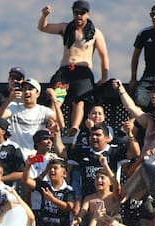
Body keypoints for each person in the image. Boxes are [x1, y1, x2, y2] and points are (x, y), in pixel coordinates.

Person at [38, 2, 109, 137]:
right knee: (57, 98)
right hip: (66, 71)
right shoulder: (66, 28)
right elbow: (43, 27)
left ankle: (74, 127)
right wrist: (44, 15)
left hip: (82, 73)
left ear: (87, 14)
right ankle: (53, 125)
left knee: (80, 100)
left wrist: (104, 76)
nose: (78, 16)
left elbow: (103, 55)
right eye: (76, 13)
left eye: (82, 13)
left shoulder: (95, 33)